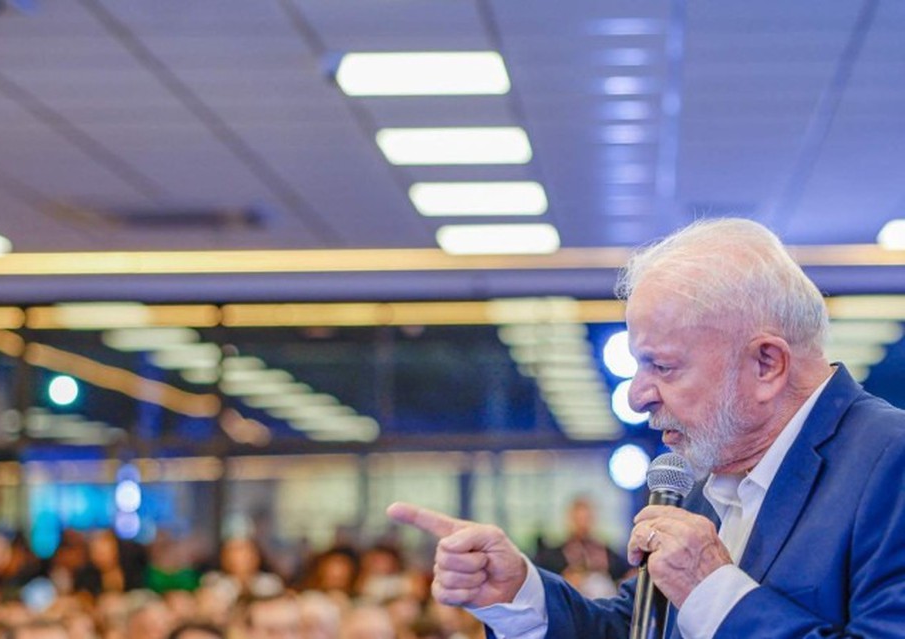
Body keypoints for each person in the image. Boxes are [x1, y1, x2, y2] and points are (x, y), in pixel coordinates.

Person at [387, 218, 905, 638]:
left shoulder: (891, 461)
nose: (637, 395)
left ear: (766, 364)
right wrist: (520, 594)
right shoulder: (716, 472)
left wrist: (711, 589)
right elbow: (640, 629)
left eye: (663, 366)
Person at [532, 495, 630, 598]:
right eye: (579, 519)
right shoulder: (553, 556)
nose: (582, 524)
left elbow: (626, 574)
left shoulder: (605, 553)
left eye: (586, 518)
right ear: (570, 519)